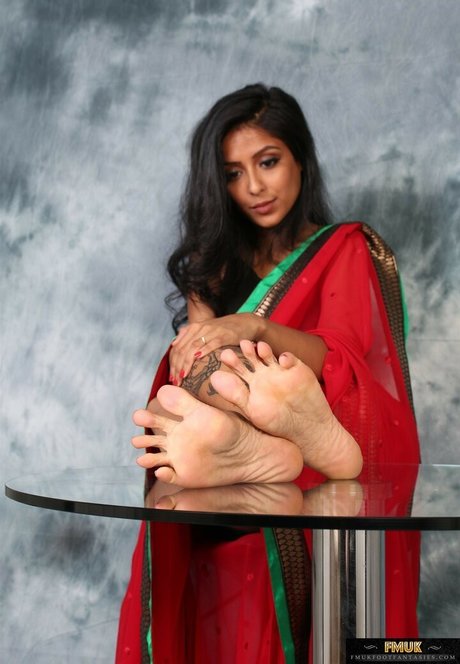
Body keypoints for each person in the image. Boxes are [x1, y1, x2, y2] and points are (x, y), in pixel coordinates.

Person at [116, 84, 420, 664]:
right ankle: (243, 446)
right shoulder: (211, 267)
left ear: (300, 159)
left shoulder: (345, 248)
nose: (253, 187)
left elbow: (345, 359)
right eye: (233, 174)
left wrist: (252, 327)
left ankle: (285, 440)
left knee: (247, 362)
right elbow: (195, 366)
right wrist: (197, 350)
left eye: (268, 162)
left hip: (315, 470)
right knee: (193, 378)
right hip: (229, 478)